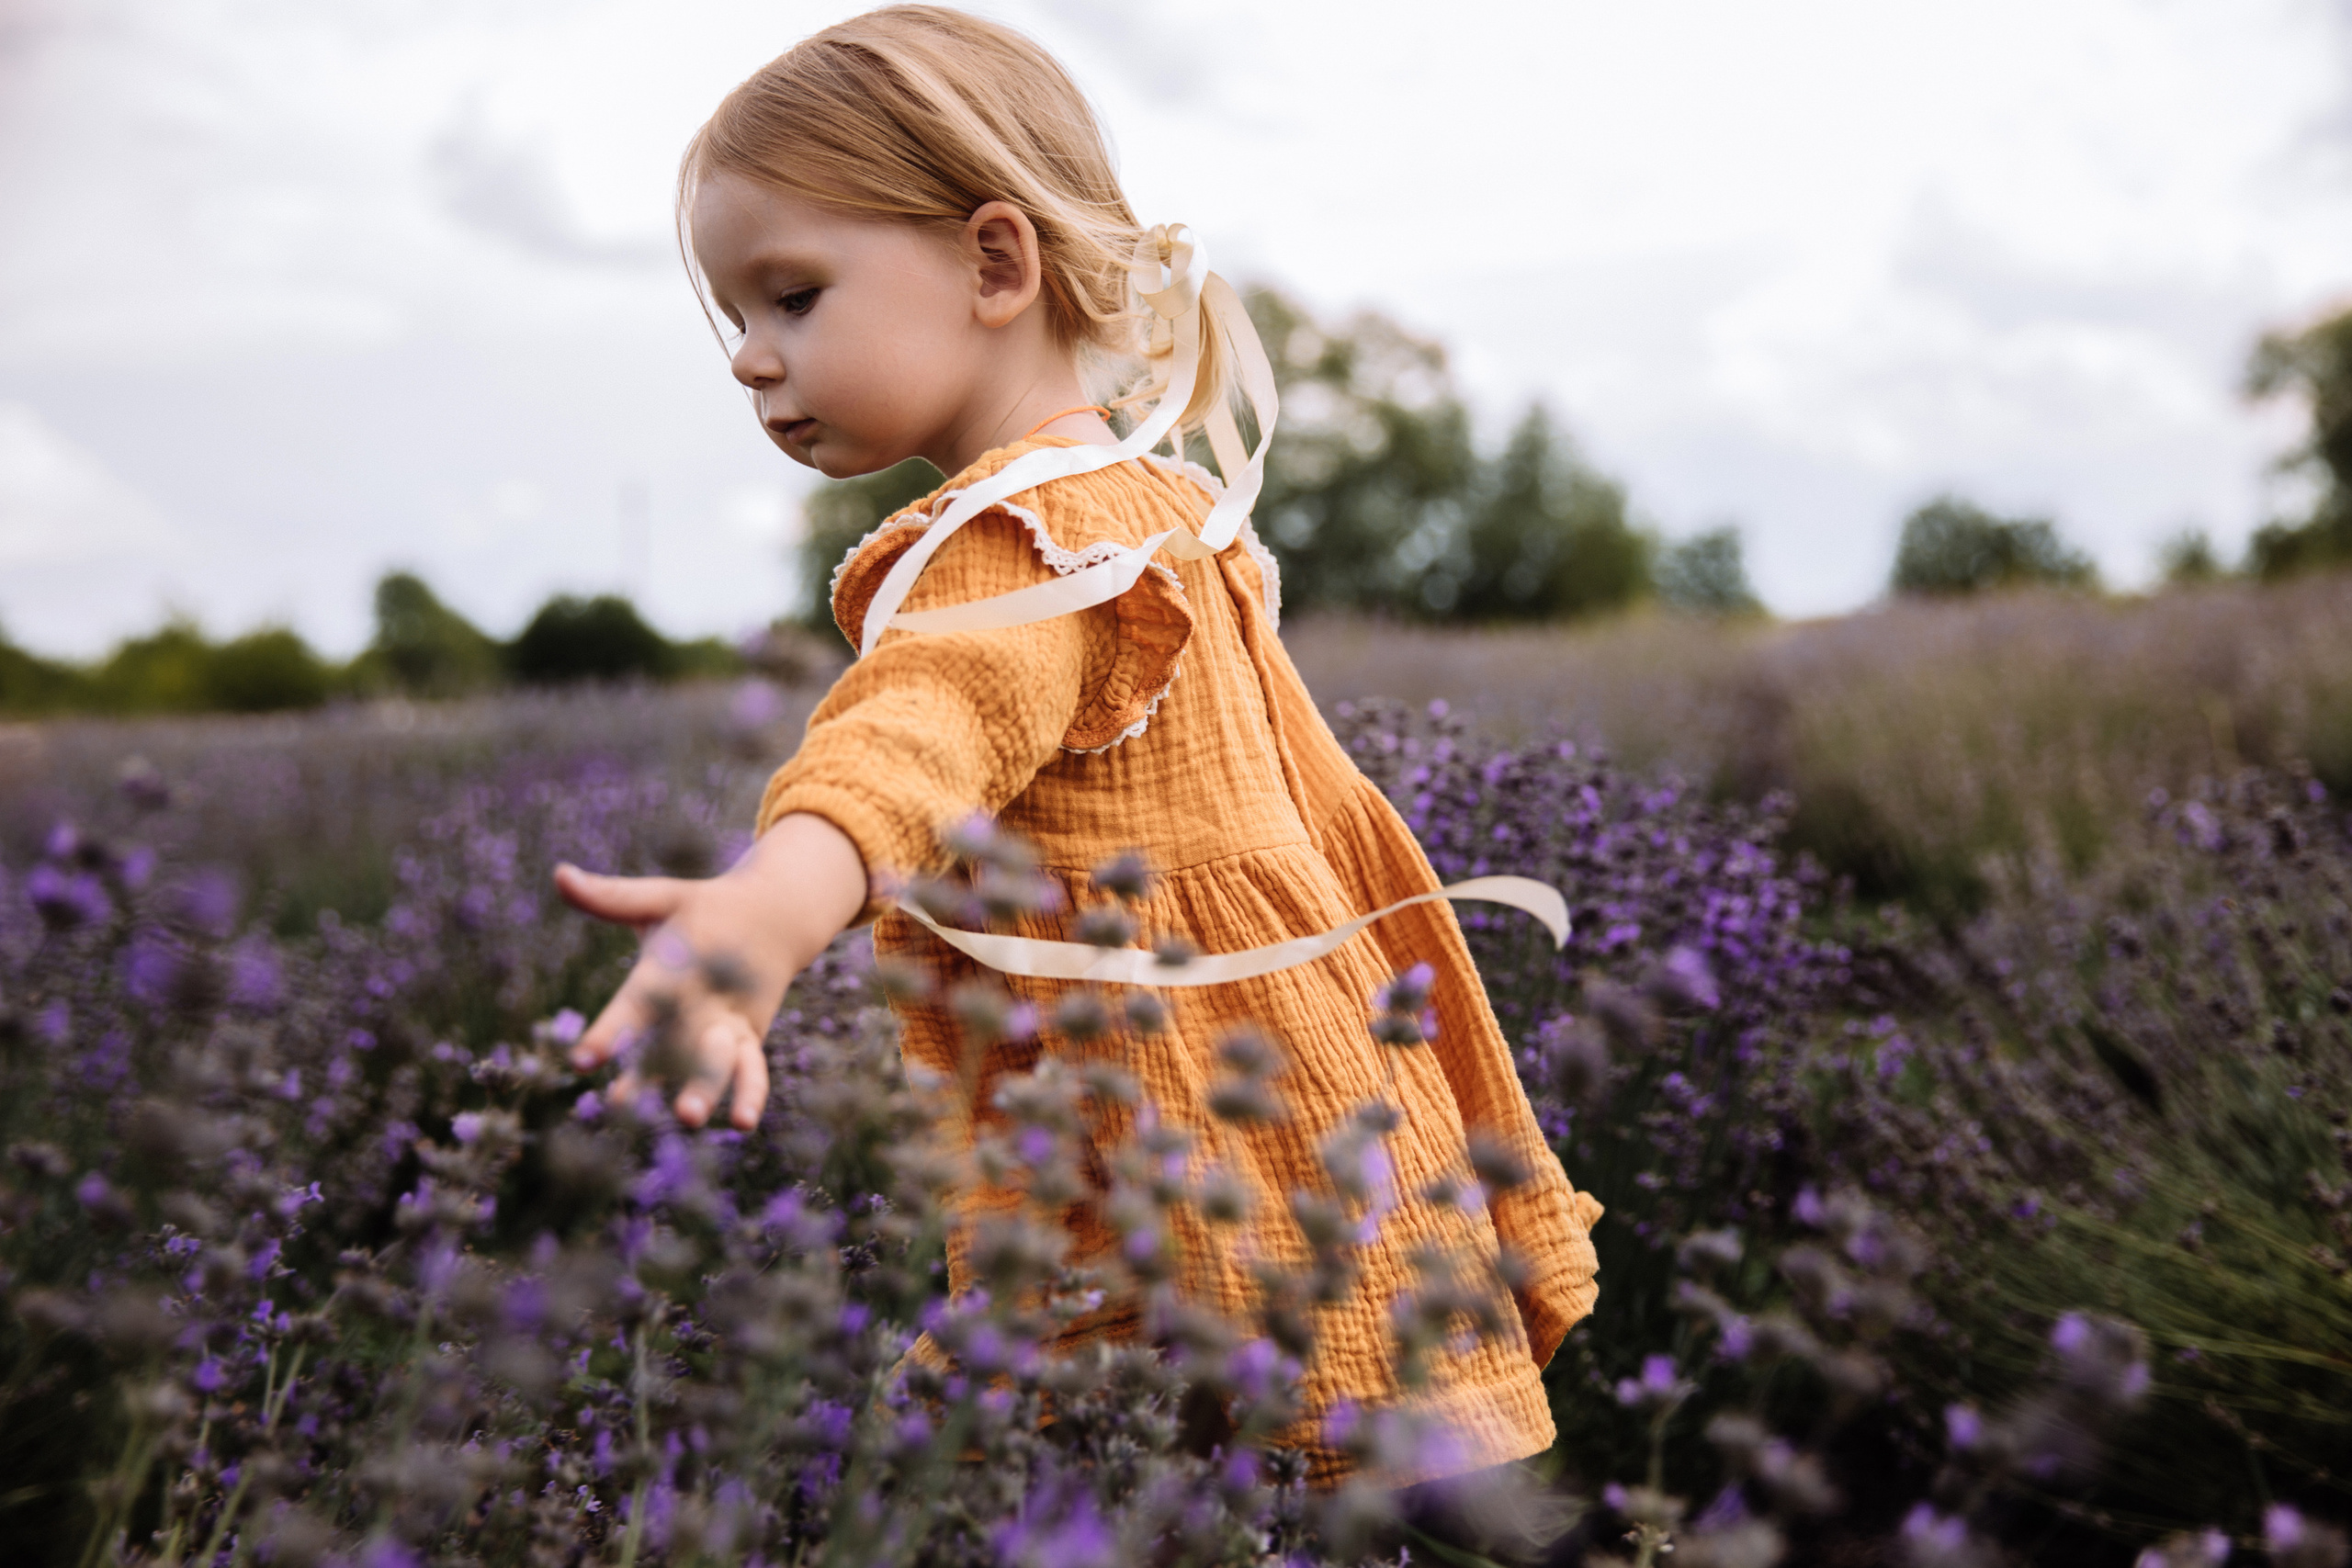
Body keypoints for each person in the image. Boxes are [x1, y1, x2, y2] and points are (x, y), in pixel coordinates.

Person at [552, 4, 1601, 1494]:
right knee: (1426, 1485)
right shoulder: (1154, 503)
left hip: (1172, 1152)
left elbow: (914, 737)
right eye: (736, 320)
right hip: (1333, 1097)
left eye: (791, 297)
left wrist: (762, 915)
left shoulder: (1028, 549)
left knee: (1060, 1483)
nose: (750, 360)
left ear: (996, 262)